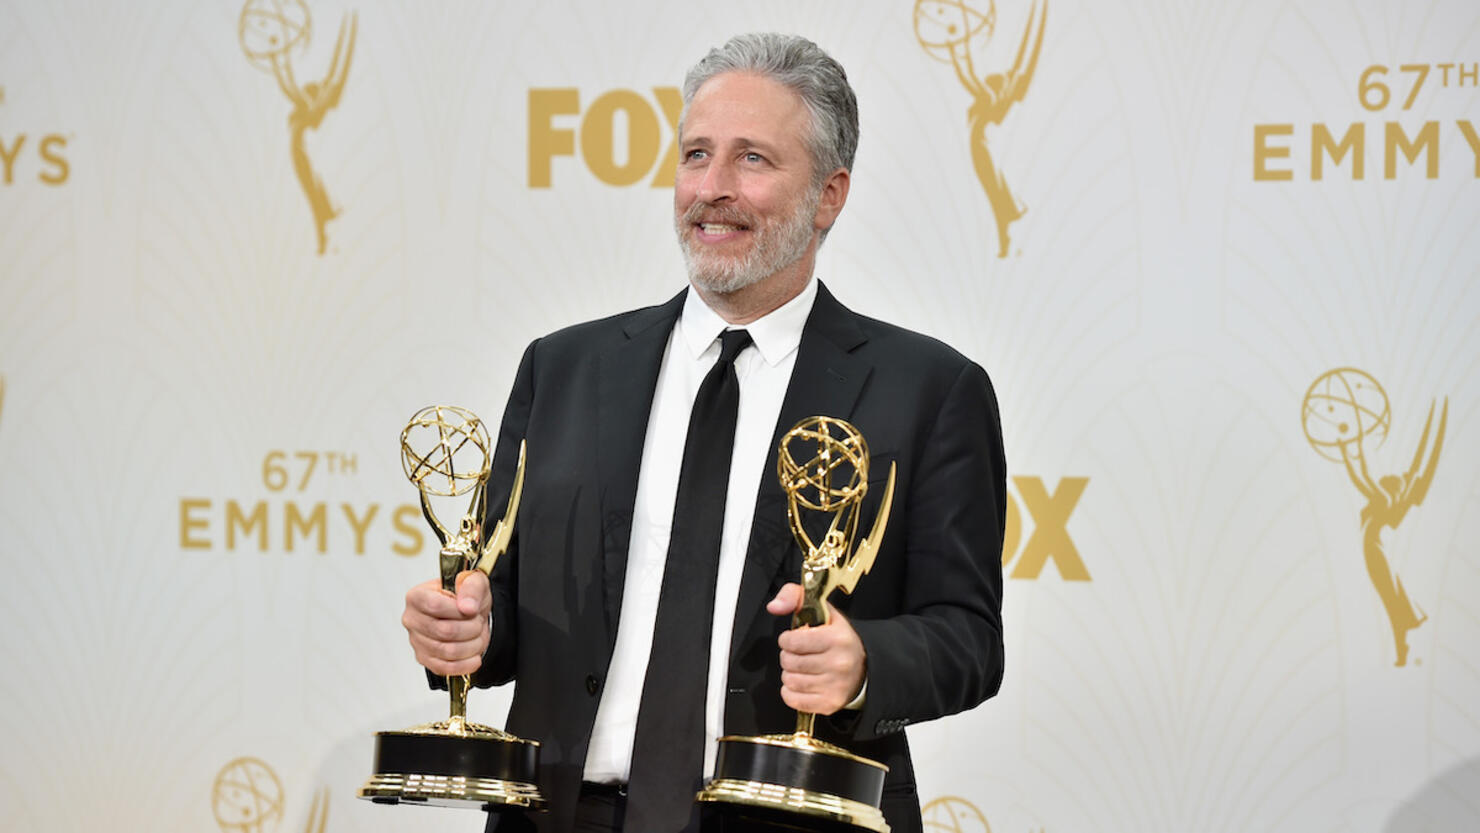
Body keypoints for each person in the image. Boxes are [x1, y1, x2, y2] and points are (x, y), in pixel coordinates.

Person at [402, 33, 1006, 833]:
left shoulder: (928, 389)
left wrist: (864, 663)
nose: (711, 189)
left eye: (752, 160)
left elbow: (968, 637)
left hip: (791, 818)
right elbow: (507, 609)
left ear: (829, 194)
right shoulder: (564, 368)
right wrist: (471, 624)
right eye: (696, 154)